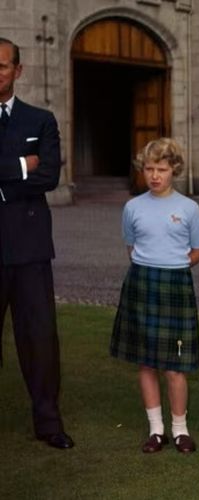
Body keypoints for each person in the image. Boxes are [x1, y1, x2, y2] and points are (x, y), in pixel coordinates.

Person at [0, 37, 74, 450]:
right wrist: (18, 167)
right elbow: (31, 172)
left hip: (30, 249)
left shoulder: (40, 119)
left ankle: (48, 423)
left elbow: (50, 176)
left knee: (40, 340)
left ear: (18, 70)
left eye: (3, 66)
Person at [110, 138, 199, 454]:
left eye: (161, 169)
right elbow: (131, 246)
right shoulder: (132, 207)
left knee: (175, 366)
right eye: (149, 168)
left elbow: (198, 250)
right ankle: (156, 431)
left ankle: (180, 430)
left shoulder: (190, 208)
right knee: (146, 362)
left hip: (175, 285)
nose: (154, 176)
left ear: (173, 170)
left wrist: (174, 265)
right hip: (141, 283)